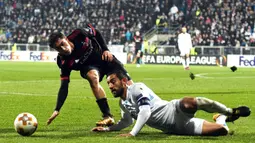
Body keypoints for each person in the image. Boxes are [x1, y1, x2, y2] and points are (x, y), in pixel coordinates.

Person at [92, 70, 251, 137]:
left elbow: (145, 112)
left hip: (174, 111)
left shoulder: (137, 88)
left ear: (124, 81)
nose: (111, 86)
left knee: (190, 102)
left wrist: (132, 134)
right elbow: (126, 121)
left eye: (113, 81)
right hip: (177, 129)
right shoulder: (123, 103)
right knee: (222, 131)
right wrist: (107, 129)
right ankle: (221, 117)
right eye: (108, 84)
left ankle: (230, 111)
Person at [47, 24, 133, 127]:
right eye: (59, 48)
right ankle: (107, 116)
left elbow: (96, 32)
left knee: (130, 86)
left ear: (66, 38)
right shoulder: (63, 62)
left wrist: (106, 49)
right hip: (89, 68)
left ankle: (144, 108)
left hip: (104, 58)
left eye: (63, 43)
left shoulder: (78, 34)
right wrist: (57, 109)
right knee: (92, 77)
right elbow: (64, 86)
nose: (63, 48)